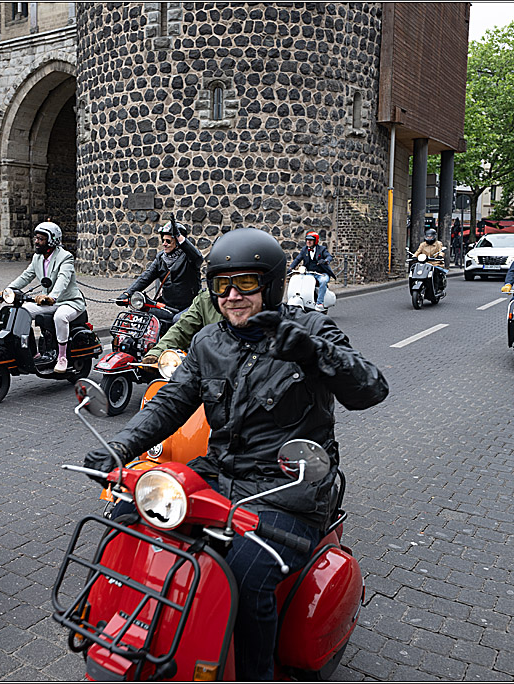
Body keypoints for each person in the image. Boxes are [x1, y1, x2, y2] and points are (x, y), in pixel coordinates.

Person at [85, 227, 389, 680]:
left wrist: (314, 353)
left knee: (246, 574)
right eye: (220, 285)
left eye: (245, 283)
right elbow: (172, 401)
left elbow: (371, 389)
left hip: (289, 489)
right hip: (219, 475)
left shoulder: (310, 330)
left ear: (272, 284)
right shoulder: (210, 341)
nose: (231, 295)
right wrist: (121, 448)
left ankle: (254, 673)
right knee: (128, 523)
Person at [0, 221, 86, 373]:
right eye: (36, 238)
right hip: (49, 301)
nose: (36, 241)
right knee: (22, 312)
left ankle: (62, 358)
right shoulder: (38, 258)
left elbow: (63, 279)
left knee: (60, 317)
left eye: (41, 239)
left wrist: (52, 297)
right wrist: (7, 291)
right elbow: (25, 277)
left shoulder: (65, 257)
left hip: (69, 302)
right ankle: (33, 353)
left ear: (52, 240)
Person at [118, 219, 203, 322]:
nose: (164, 244)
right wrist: (127, 294)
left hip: (189, 306)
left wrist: (180, 237)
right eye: (163, 240)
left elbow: (198, 257)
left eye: (168, 241)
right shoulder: (161, 258)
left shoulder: (189, 258)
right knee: (142, 315)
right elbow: (145, 277)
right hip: (168, 306)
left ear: (178, 242)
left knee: (177, 320)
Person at [139, 287, 223, 364]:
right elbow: (182, 328)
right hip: (211, 368)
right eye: (222, 283)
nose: (232, 296)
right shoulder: (206, 299)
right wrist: (157, 352)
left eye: (236, 281)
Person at [288, 231, 336, 311]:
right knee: (301, 281)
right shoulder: (304, 250)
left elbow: (329, 256)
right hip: (309, 273)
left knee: (323, 281)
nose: (308, 242)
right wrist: (290, 268)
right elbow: (297, 259)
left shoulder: (322, 249)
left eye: (310, 240)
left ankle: (319, 303)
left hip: (321, 273)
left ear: (315, 241)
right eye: (307, 240)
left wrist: (326, 261)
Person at [412, 228, 448, 292]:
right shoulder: (423, 244)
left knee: (436, 272)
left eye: (430, 236)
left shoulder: (438, 244)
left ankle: (437, 288)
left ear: (434, 236)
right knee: (415, 269)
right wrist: (414, 256)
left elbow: (441, 251)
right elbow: (418, 251)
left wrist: (440, 256)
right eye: (427, 236)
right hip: (425, 263)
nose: (429, 238)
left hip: (435, 263)